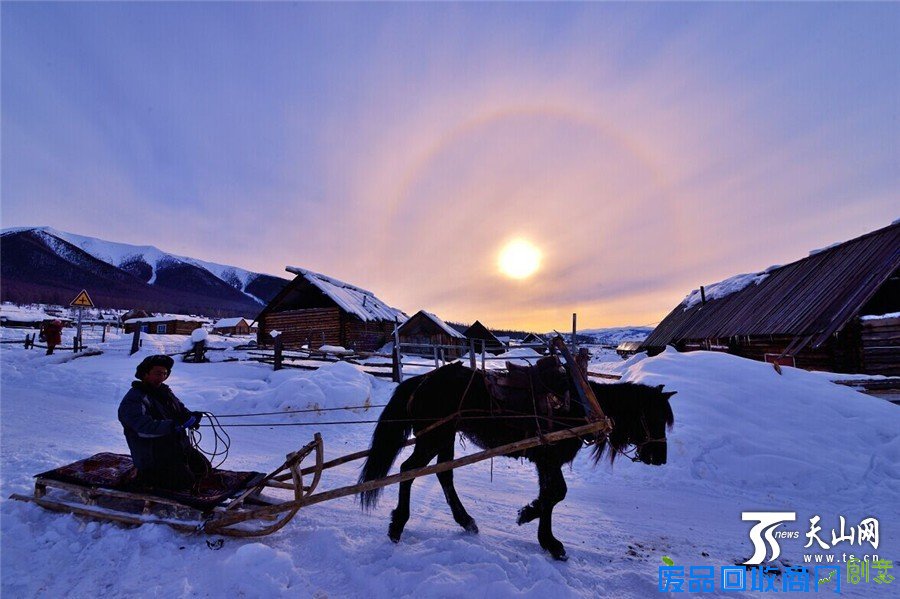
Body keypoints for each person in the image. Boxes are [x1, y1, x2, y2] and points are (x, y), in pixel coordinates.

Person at [118, 355, 209, 491]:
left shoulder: (165, 392)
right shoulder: (135, 399)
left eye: (165, 373)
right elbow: (143, 428)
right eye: (158, 373)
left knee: (204, 469)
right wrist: (175, 425)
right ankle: (145, 480)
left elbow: (180, 410)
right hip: (153, 454)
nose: (162, 377)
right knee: (184, 484)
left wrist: (190, 417)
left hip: (177, 448)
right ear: (145, 374)